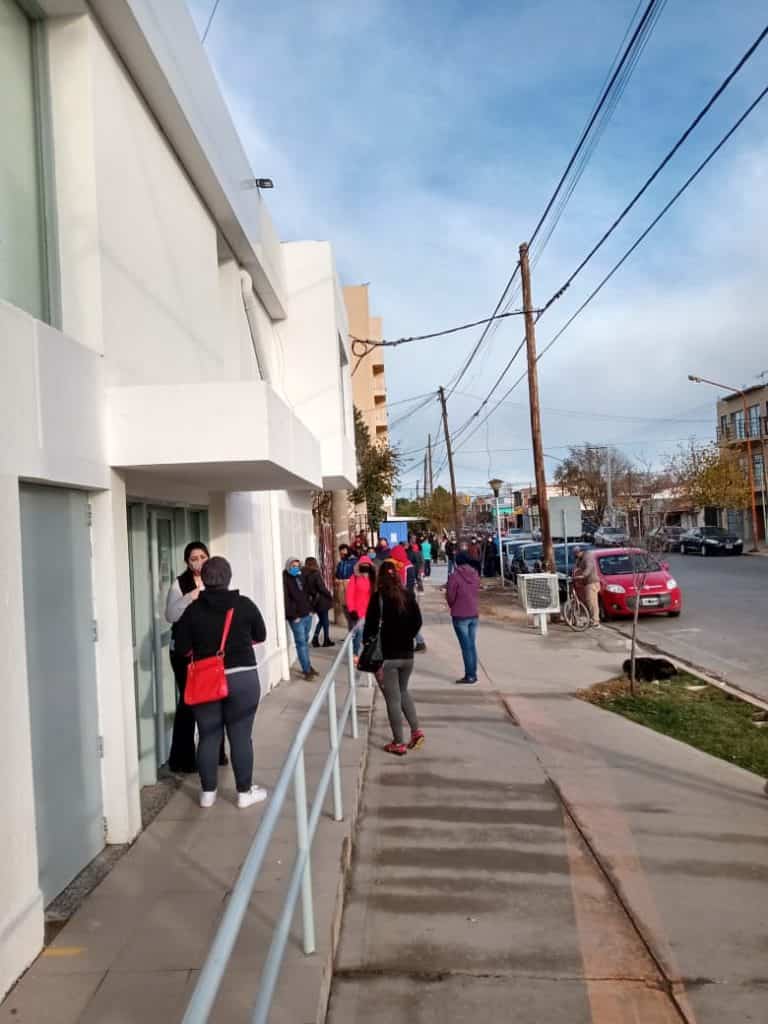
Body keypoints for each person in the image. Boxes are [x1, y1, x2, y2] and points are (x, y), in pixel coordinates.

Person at [174, 556, 267, 809]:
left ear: (203, 579)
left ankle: (207, 793)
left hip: (206, 679)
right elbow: (260, 635)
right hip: (243, 678)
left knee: (208, 736)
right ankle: (244, 793)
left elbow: (182, 649)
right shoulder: (245, 605)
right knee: (241, 736)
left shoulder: (192, 611)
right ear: (229, 577)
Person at [165, 541, 227, 773]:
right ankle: (182, 760)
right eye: (194, 559)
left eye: (202, 557)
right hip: (183, 651)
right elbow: (170, 615)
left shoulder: (217, 578)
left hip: (209, 650)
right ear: (187, 562)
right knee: (188, 702)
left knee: (214, 700)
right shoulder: (180, 584)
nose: (199, 562)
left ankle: (216, 754)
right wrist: (190, 596)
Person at [363, 559, 424, 756]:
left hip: (387, 657)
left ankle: (398, 742)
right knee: (403, 691)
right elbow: (418, 621)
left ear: (380, 577)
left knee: (393, 700)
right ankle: (416, 731)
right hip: (407, 655)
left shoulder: (378, 598)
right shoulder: (407, 595)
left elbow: (369, 628)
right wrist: (408, 637)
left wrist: (367, 646)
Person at [446, 552, 481, 684]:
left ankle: (470, 675)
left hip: (460, 614)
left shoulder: (454, 576)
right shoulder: (475, 574)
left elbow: (450, 596)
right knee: (471, 645)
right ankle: (473, 673)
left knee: (466, 647)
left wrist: (452, 605)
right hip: (473, 612)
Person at [283, 557, 318, 679]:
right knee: (301, 643)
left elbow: (307, 593)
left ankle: (308, 665)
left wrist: (311, 609)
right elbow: (286, 599)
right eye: (293, 566)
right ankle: (306, 670)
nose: (295, 568)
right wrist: (293, 616)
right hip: (296, 618)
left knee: (305, 642)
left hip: (307, 614)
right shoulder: (285, 579)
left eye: (297, 566)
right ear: (288, 566)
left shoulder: (301, 577)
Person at [344, 555, 376, 656]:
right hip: (357, 612)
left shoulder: (373, 579)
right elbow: (349, 595)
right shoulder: (354, 578)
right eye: (363, 565)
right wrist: (352, 610)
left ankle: (366, 655)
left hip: (370, 612)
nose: (365, 567)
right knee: (358, 635)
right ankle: (355, 654)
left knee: (368, 635)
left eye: (367, 565)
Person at [303, 556, 335, 648]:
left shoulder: (304, 574)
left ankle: (317, 639)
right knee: (325, 621)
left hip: (314, 600)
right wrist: (329, 594)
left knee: (322, 620)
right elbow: (321, 587)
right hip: (321, 600)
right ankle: (325, 640)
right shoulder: (316, 573)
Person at [574, 548, 601, 628]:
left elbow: (589, 567)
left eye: (576, 553)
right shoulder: (580, 559)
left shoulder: (588, 557)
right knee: (588, 602)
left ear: (580, 552)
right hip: (587, 583)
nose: (575, 555)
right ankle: (592, 620)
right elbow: (577, 568)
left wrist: (583, 575)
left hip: (591, 583)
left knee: (592, 603)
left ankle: (595, 622)